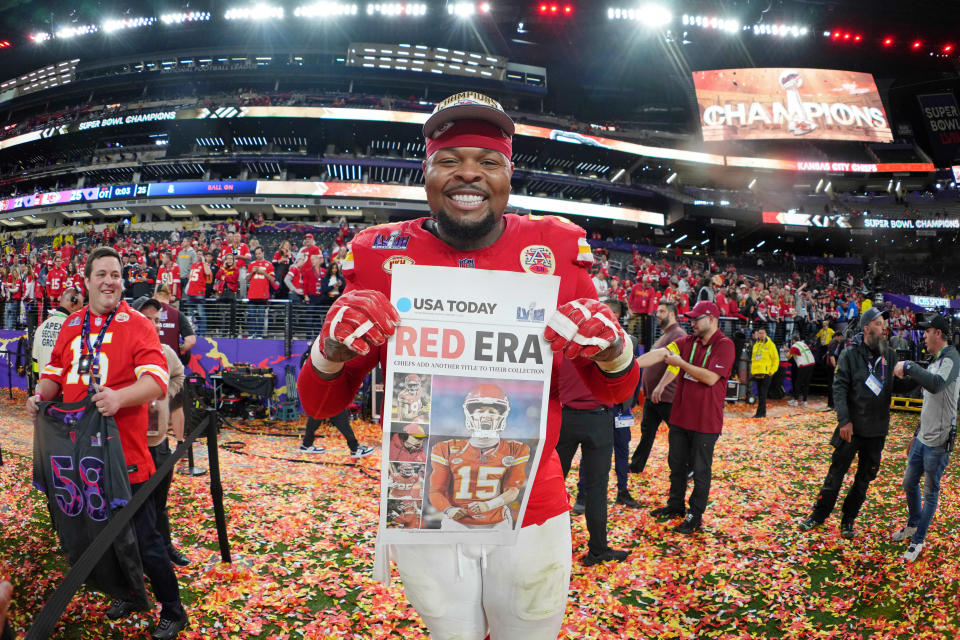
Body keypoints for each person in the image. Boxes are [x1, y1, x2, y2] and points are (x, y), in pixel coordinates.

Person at [297, 91, 638, 640]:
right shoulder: (378, 253)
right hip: (422, 496)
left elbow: (616, 392)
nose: (469, 175)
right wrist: (330, 351)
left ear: (509, 174)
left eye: (488, 161)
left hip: (531, 497)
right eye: (450, 160)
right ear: (425, 172)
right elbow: (320, 403)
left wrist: (614, 349)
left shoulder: (555, 246)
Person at [29, 246, 188, 639]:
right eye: (101, 274)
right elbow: (55, 376)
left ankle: (173, 608)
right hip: (81, 456)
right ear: (85, 281)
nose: (109, 281)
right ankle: (131, 593)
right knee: (100, 533)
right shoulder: (70, 325)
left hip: (127, 455)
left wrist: (119, 398)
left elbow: (156, 381)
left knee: (147, 539)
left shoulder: (138, 324)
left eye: (115, 274)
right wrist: (40, 397)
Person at [635, 301, 734, 534]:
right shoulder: (689, 341)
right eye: (691, 318)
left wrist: (681, 364)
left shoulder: (724, 344)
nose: (692, 323)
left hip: (705, 421)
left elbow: (710, 378)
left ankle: (695, 514)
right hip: (681, 417)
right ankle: (675, 505)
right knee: (676, 465)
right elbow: (661, 354)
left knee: (700, 469)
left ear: (711, 319)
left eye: (697, 319)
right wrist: (630, 366)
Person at [799, 307, 897, 539]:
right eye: (879, 324)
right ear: (867, 328)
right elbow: (840, 388)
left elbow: (894, 386)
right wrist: (844, 420)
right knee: (836, 473)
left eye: (884, 324)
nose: (884, 328)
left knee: (864, 478)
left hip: (877, 428)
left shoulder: (890, 354)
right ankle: (819, 514)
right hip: (851, 427)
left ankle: (848, 518)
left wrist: (914, 376)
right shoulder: (850, 354)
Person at [891, 314, 959, 561]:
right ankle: (913, 523)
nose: (923, 335)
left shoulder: (952, 358)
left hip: (939, 443)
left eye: (927, 331)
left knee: (931, 492)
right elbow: (929, 403)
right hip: (923, 439)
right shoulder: (936, 359)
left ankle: (918, 540)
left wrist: (909, 365)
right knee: (909, 483)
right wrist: (915, 433)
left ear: (938, 333)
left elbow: (936, 385)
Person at [132, 296, 191, 568]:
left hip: (159, 443)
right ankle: (137, 558)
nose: (155, 325)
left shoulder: (166, 352)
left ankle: (165, 548)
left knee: (159, 502)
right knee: (133, 507)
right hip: (130, 444)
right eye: (148, 319)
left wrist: (166, 394)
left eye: (157, 320)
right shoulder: (124, 353)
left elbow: (179, 376)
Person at [555, 358, 629, 565]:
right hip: (597, 418)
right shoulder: (605, 345)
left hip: (567, 416)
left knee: (553, 481)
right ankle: (597, 549)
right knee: (597, 487)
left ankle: (549, 542)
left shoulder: (564, 345)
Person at [428, 384, 530, 531]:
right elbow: (436, 491)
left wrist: (487, 505)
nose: (486, 415)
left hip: (497, 523)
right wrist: (449, 509)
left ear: (502, 415)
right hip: (457, 523)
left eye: (492, 411)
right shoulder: (445, 448)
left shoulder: (516, 449)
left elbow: (512, 490)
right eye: (480, 410)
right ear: (469, 414)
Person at [630, 301, 687, 474]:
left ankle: (685, 467)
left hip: (666, 396)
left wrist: (661, 386)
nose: (657, 314)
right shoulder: (664, 334)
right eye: (658, 311)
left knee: (677, 433)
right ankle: (636, 465)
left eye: (662, 311)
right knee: (647, 433)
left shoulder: (677, 333)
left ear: (672, 314)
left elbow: (675, 365)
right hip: (653, 396)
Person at [31, 286, 83, 377]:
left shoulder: (41, 327)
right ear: (72, 305)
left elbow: (35, 363)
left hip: (43, 386)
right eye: (80, 308)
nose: (81, 312)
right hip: (63, 388)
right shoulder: (72, 329)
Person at [750, 326, 779, 418]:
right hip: (757, 373)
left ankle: (760, 413)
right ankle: (761, 412)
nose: (761, 335)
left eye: (763, 333)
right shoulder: (756, 344)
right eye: (760, 333)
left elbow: (775, 359)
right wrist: (753, 371)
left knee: (763, 393)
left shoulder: (771, 345)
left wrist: (772, 371)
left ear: (766, 334)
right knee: (760, 393)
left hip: (766, 373)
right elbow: (754, 359)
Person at [786, 334, 816, 408]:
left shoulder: (794, 346)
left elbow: (788, 357)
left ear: (793, 340)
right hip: (812, 363)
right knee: (806, 383)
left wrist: (787, 350)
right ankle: (804, 401)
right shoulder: (803, 344)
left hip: (804, 365)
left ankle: (795, 401)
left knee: (798, 383)